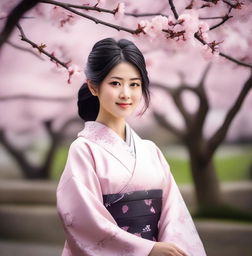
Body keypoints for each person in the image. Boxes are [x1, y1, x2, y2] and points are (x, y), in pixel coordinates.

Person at [56, 38, 207, 256]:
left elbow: (174, 214)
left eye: (134, 84)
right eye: (116, 83)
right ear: (93, 87)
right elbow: (83, 219)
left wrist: (167, 250)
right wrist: (145, 250)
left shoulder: (150, 150)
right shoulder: (83, 150)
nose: (126, 93)